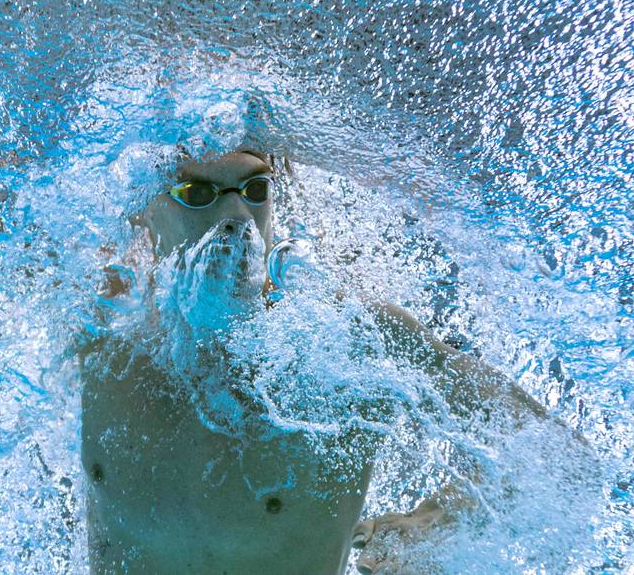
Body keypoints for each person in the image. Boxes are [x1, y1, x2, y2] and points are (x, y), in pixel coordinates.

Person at [76, 147, 582, 574]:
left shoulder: (349, 342)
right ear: (143, 209)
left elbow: (561, 461)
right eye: (198, 194)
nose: (235, 219)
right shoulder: (97, 331)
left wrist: (436, 523)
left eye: (255, 191)